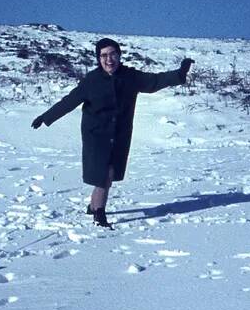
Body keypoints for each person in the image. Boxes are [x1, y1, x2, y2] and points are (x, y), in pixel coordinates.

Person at [32, 38, 194, 228]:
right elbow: (70, 100)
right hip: (96, 134)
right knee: (105, 172)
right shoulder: (91, 80)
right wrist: (46, 116)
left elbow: (154, 81)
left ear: (119, 55)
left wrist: (179, 74)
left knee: (107, 174)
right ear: (98, 58)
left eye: (113, 54)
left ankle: (93, 206)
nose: (109, 59)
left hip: (119, 134)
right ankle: (99, 215)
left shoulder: (130, 76)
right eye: (104, 55)